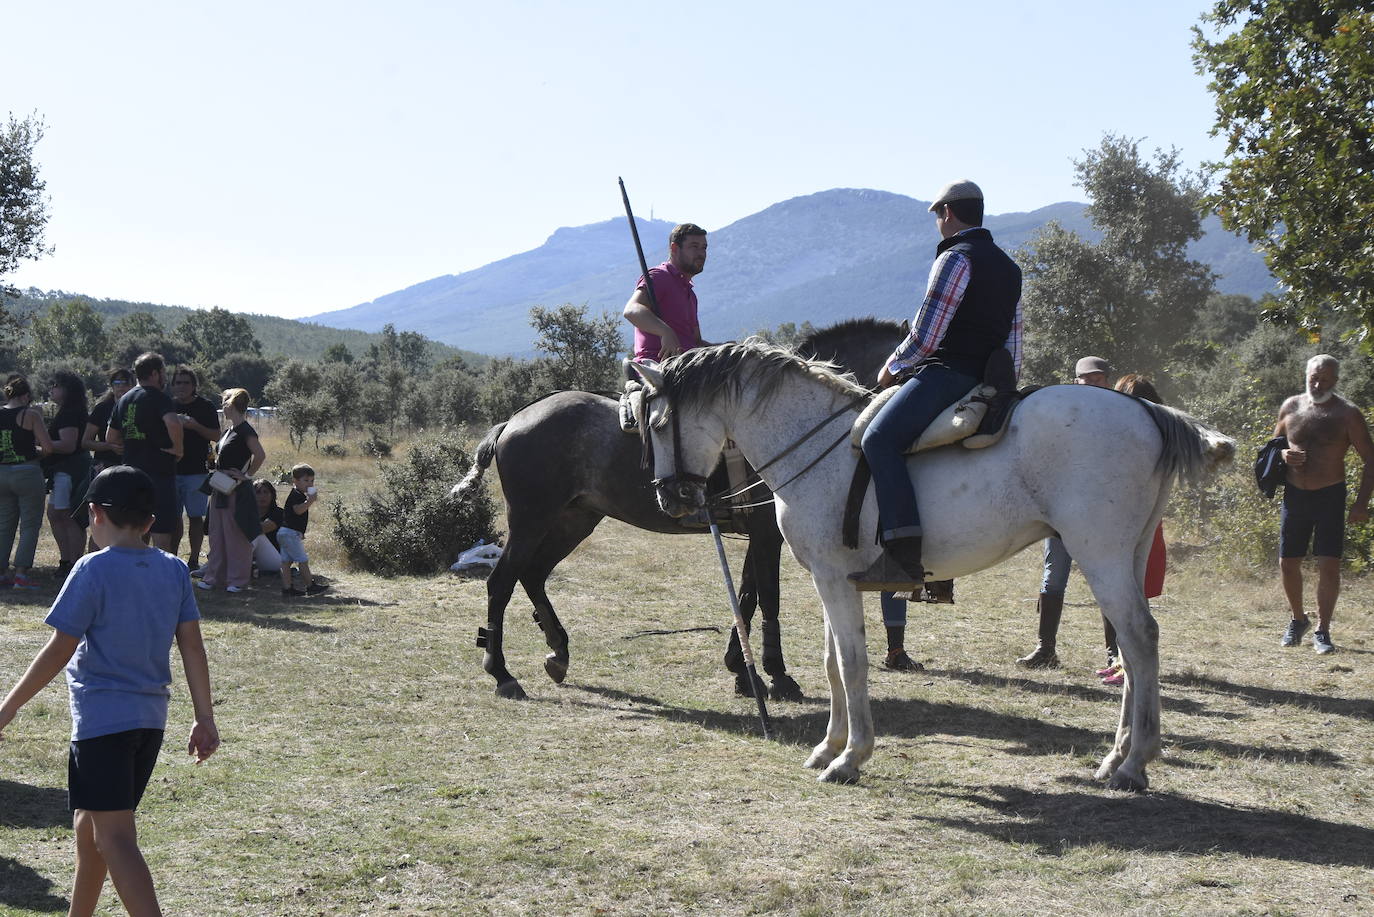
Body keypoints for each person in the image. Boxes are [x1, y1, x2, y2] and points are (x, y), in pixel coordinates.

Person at [0, 465, 219, 917]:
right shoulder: (175, 569)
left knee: (116, 839)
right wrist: (204, 717)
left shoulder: (92, 568)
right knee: (89, 828)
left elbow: (60, 647)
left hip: (102, 726)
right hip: (148, 724)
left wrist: (8, 707)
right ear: (150, 521)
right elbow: (193, 648)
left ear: (95, 514)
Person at [851, 180, 1022, 591]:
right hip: (986, 380)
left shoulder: (955, 259)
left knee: (878, 440)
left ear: (947, 213)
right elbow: (1014, 343)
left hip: (948, 373)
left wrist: (891, 368)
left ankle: (903, 556)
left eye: (938, 216)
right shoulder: (1010, 267)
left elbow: (927, 334)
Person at [1273, 354, 1374, 654]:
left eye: (1324, 379)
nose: (1317, 384)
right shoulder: (1291, 406)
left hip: (1330, 494)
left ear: (1336, 381)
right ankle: (1297, 619)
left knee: (1329, 565)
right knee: (1287, 563)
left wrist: (1361, 503)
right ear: (1306, 376)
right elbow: (1272, 447)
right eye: (1313, 378)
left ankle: (1323, 631)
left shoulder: (1347, 414)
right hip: (1295, 494)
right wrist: (1282, 456)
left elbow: (1371, 459)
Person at [1016, 356, 1113, 669]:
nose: (1095, 383)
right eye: (1089, 379)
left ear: (1107, 381)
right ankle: (1045, 650)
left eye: (1100, 378)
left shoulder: (1116, 416)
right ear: (1077, 381)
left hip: (1098, 514)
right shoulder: (1062, 416)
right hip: (1060, 512)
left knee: (1107, 582)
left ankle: (1115, 655)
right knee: (1052, 578)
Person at [105, 353, 183, 552]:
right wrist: (178, 448)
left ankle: (137, 573)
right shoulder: (159, 397)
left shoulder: (124, 400)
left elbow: (110, 438)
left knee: (135, 528)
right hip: (159, 473)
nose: (165, 377)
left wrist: (131, 442)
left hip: (130, 473)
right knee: (161, 531)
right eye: (164, 372)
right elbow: (173, 423)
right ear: (155, 373)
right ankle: (162, 578)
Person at [196, 388, 264, 593]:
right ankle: (214, 577)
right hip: (219, 487)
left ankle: (238, 580)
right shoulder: (228, 431)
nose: (221, 407)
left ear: (230, 404)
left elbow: (260, 455)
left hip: (236, 490)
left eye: (223, 403)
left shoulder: (246, 431)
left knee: (236, 536)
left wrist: (247, 476)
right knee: (217, 534)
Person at [623, 223, 712, 361]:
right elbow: (631, 310)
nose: (701, 253)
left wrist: (725, 349)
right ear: (675, 248)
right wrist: (665, 332)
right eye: (694, 247)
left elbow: (696, 343)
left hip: (686, 367)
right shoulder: (659, 276)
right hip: (656, 367)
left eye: (704, 248)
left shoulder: (690, 294)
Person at [1, 375, 55, 589]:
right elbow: (48, 448)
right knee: (30, 525)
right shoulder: (30, 414)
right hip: (27, 472)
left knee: (4, 525)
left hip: (2, 473)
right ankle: (21, 574)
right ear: (25, 396)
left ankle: (2, 572)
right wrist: (35, 454)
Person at [168, 366, 220, 572]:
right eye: (177, 382)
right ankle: (171, 559)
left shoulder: (205, 406)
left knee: (196, 517)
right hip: (170, 470)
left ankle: (193, 560)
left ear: (194, 386)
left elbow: (216, 435)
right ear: (172, 385)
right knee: (173, 517)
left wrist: (194, 426)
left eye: (186, 383)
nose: (181, 386)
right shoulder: (167, 405)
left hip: (196, 471)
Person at [81, 368, 135, 554]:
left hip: (132, 468)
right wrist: (109, 446)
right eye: (117, 383)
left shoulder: (138, 406)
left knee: (132, 520)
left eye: (126, 383)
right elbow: (86, 441)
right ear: (111, 386)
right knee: (100, 519)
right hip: (105, 469)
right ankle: (93, 561)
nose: (121, 387)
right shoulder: (102, 408)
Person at [43, 370, 92, 576]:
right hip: (64, 470)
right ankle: (66, 561)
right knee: (56, 514)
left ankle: (73, 564)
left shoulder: (70, 413)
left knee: (69, 516)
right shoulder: (70, 410)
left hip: (69, 470)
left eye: (55, 385)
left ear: (67, 389)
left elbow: (68, 445)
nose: (51, 389)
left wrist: (40, 445)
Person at [280, 463, 327, 597]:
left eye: (312, 481)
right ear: (295, 481)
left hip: (286, 532)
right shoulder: (297, 494)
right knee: (302, 560)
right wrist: (310, 501)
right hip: (289, 532)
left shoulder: (299, 493)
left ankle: (287, 588)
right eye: (306, 480)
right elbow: (298, 510)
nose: (309, 484)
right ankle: (310, 586)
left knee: (286, 562)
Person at [251, 478, 284, 575]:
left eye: (266, 492)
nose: (262, 496)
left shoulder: (278, 513)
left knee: (257, 534)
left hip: (274, 560)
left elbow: (260, 529)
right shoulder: (249, 513)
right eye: (258, 493)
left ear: (272, 495)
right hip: (251, 559)